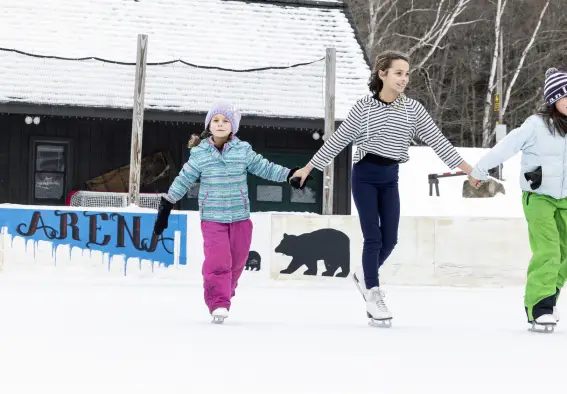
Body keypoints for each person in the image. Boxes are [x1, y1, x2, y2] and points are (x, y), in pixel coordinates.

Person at [290, 50, 480, 327]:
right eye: (398, 73)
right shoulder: (364, 108)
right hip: (365, 175)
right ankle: (373, 293)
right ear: (383, 74)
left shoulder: (413, 110)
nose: (404, 79)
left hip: (391, 177)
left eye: (406, 74)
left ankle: (364, 275)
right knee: (374, 238)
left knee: (390, 239)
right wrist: (308, 168)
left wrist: (469, 171)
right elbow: (337, 141)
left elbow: (439, 142)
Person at [468, 68, 567, 332]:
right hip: (538, 196)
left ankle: (549, 291)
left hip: (565, 198)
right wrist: (479, 170)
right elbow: (505, 147)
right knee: (548, 249)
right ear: (553, 98)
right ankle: (539, 306)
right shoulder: (535, 125)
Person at [152, 101, 307, 324]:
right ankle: (218, 301)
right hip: (213, 219)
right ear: (209, 125)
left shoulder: (243, 150)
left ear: (233, 126)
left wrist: (288, 174)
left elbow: (265, 167)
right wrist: (167, 204)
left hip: (240, 217)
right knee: (218, 260)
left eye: (225, 121)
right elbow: (183, 180)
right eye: (215, 120)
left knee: (237, 262)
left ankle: (224, 292)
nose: (220, 124)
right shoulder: (200, 154)